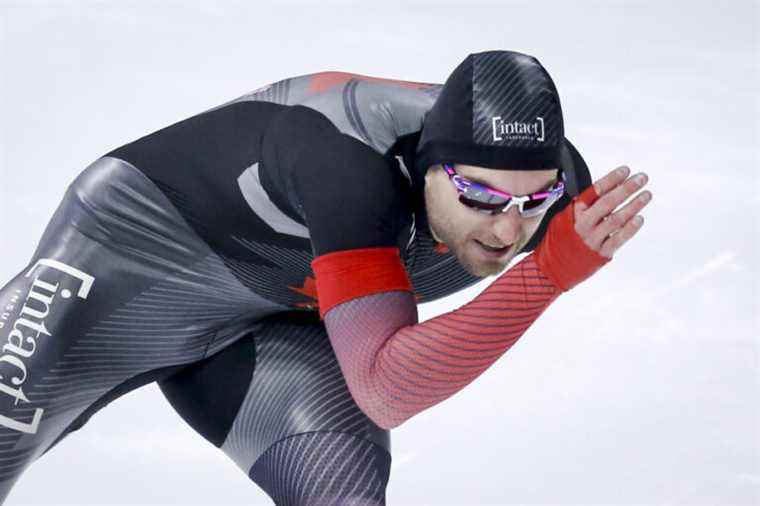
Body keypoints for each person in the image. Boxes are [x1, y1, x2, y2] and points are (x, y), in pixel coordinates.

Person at [0, 50, 651, 504]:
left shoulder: (563, 194)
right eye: (477, 196)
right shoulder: (347, 166)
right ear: (426, 166)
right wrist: (544, 275)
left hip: (293, 316)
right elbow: (387, 390)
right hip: (131, 259)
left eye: (531, 203)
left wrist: (541, 239)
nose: (507, 231)